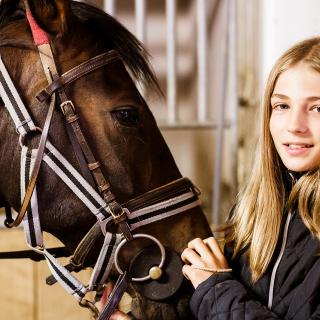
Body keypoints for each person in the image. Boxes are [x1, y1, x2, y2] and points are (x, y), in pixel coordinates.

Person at [181, 37, 320, 319]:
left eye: (317, 108)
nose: (294, 126)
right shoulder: (254, 210)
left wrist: (215, 289)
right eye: (282, 106)